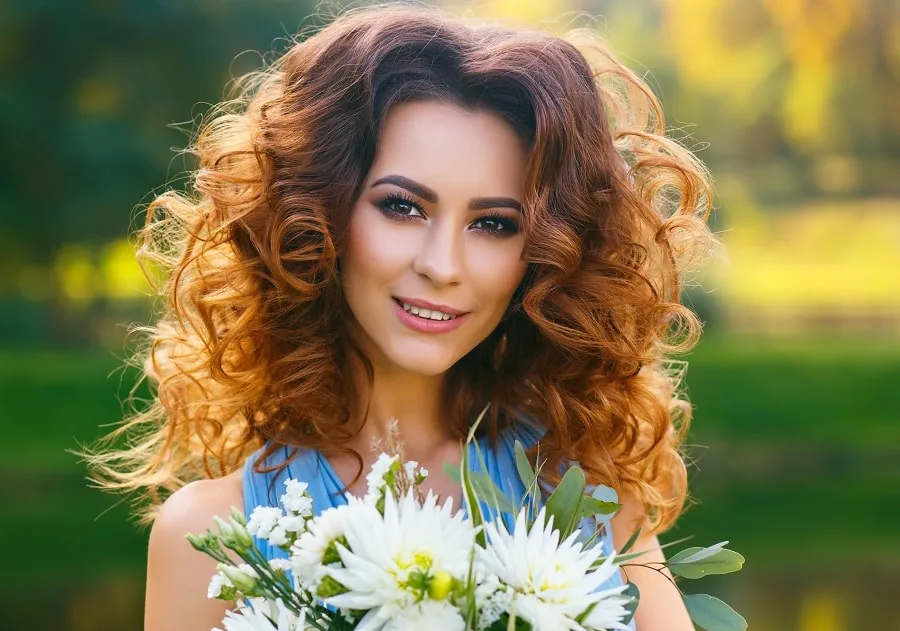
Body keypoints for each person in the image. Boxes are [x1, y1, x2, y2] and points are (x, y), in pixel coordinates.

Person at [88, 4, 716, 630]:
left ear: (546, 256)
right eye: (403, 207)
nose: (443, 265)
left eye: (494, 224)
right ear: (316, 216)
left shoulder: (585, 497)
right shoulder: (214, 538)